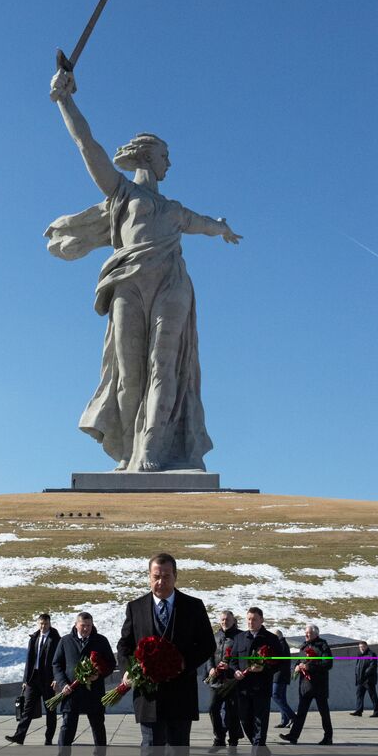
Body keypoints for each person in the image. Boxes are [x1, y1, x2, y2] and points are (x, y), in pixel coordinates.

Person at [47, 67, 242, 472]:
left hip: (171, 283)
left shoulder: (174, 210)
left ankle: (152, 448)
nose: (170, 163)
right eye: (166, 156)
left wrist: (221, 228)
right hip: (128, 283)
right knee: (129, 374)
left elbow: (204, 224)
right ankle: (128, 449)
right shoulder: (122, 192)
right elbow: (87, 146)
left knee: (164, 365)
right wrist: (65, 101)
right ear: (149, 156)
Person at [117, 553, 215, 747]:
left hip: (181, 694)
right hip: (148, 696)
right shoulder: (135, 607)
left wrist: (183, 663)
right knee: (150, 753)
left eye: (166, 576)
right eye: (156, 577)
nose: (161, 582)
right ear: (149, 577)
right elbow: (124, 645)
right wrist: (128, 669)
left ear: (175, 576)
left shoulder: (193, 606)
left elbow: (208, 645)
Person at [52, 612, 116, 756]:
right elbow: (57, 664)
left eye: (89, 625)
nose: (86, 628)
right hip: (71, 692)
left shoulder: (100, 640)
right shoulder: (65, 641)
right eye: (83, 625)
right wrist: (63, 683)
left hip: (94, 692)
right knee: (67, 727)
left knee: (98, 726)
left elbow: (111, 664)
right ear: (76, 625)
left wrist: (99, 674)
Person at [231, 608, 282, 756]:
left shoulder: (271, 639)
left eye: (254, 619)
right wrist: (235, 671)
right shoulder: (240, 638)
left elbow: (280, 663)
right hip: (243, 688)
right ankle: (261, 749)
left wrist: (264, 668)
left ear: (261, 620)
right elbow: (232, 660)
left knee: (260, 722)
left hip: (261, 687)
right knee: (244, 720)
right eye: (248, 619)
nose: (250, 622)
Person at [5, 612, 61, 745]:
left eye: (46, 624)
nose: (43, 626)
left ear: (50, 624)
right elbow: (28, 660)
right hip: (33, 678)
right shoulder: (34, 638)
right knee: (27, 709)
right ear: (38, 624)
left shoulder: (56, 639)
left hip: (48, 679)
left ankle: (48, 738)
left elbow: (59, 660)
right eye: (41, 624)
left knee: (50, 709)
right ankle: (19, 736)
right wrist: (25, 680)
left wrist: (56, 678)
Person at [279, 625, 333, 745]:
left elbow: (328, 664)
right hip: (305, 686)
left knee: (324, 713)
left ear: (316, 634)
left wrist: (309, 667)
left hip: (319, 686)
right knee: (301, 713)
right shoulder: (304, 646)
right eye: (305, 632)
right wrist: (296, 668)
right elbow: (299, 661)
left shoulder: (322, 645)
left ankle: (328, 737)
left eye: (309, 633)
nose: (306, 634)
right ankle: (293, 736)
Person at [205, 609, 243, 751]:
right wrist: (210, 668)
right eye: (222, 619)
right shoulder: (215, 636)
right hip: (216, 680)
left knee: (233, 712)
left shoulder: (240, 637)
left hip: (232, 681)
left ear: (233, 620)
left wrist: (231, 668)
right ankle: (219, 737)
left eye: (227, 619)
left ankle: (233, 741)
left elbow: (243, 659)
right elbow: (209, 655)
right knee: (212, 708)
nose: (225, 622)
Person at [271, 628, 296, 728]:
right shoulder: (283, 644)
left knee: (275, 695)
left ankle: (292, 716)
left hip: (279, 675)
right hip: (282, 675)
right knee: (282, 698)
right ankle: (284, 720)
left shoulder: (281, 645)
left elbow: (277, 660)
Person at [350, 639, 378, 717]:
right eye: (360, 647)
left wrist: (366, 673)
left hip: (368, 679)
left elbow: (373, 666)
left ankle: (377, 712)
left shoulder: (371, 654)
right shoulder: (359, 655)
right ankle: (359, 711)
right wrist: (357, 674)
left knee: (373, 695)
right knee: (359, 695)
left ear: (366, 646)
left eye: (363, 647)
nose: (361, 648)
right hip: (360, 679)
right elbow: (358, 666)